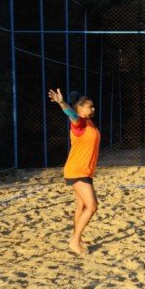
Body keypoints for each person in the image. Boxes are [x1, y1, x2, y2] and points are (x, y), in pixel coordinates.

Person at [47, 88, 100, 256]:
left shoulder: (90, 123)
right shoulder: (79, 123)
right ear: (80, 109)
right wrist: (61, 102)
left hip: (84, 171)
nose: (93, 109)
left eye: (93, 106)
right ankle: (74, 241)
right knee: (92, 206)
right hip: (77, 170)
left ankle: (78, 238)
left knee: (82, 206)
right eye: (90, 107)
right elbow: (71, 114)